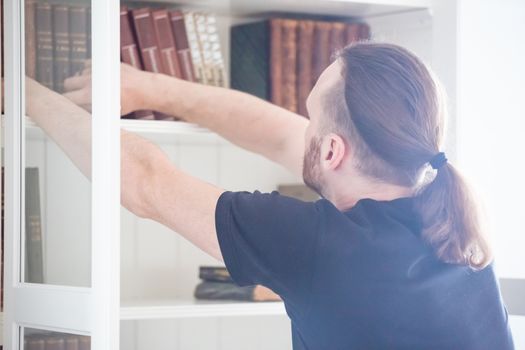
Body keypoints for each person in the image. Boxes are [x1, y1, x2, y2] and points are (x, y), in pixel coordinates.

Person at [27, 42, 514, 349]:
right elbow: (279, 135)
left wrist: (23, 93)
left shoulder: (316, 244)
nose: (301, 130)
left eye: (312, 118)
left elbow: (144, 180)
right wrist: (148, 87)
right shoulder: (454, 228)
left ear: (330, 151)